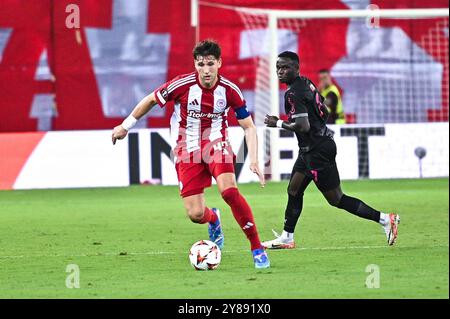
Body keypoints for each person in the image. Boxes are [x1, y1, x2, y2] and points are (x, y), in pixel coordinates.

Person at [111, 40, 270, 268]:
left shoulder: (230, 90)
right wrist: (125, 126)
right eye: (201, 64)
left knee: (229, 192)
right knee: (196, 214)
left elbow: (249, 126)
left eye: (210, 64)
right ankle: (213, 219)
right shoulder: (182, 84)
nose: (206, 70)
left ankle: (257, 248)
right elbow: (150, 100)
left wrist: (254, 158)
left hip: (217, 144)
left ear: (219, 63)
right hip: (187, 150)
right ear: (195, 65)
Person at [262, 51, 399, 249]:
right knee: (293, 189)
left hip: (317, 151)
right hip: (311, 149)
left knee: (336, 199)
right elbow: (324, 111)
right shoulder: (306, 83)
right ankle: (287, 237)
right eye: (278, 67)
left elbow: (303, 126)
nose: (280, 71)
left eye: (285, 67)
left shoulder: (293, 93)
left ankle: (385, 219)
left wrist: (277, 124)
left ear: (296, 68)